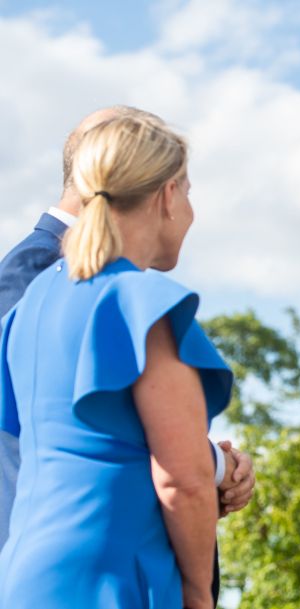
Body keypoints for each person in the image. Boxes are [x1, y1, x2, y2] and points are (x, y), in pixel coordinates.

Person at [0, 106, 256, 605]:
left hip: (27, 578)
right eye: (188, 191)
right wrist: (199, 593)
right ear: (167, 195)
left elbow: (77, 440)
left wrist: (216, 470)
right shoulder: (142, 305)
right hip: (109, 577)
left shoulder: (34, 303)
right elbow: (180, 480)